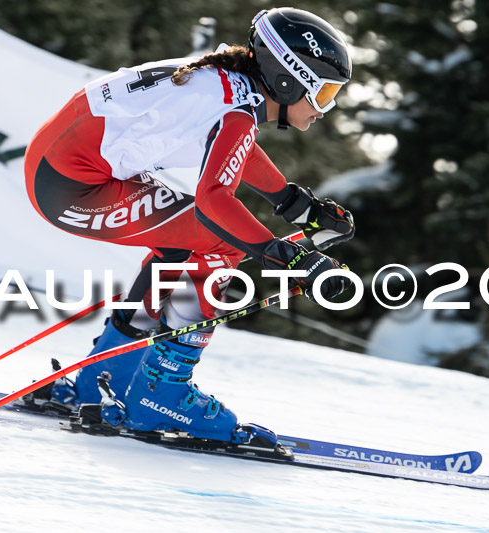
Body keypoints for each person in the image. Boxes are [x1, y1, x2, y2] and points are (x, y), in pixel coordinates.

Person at [22, 8, 356, 443]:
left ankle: (100, 379)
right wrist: (290, 258)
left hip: (60, 171)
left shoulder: (229, 85)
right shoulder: (236, 107)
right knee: (221, 243)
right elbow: (214, 201)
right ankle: (162, 393)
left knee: (181, 245)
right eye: (324, 93)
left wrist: (291, 202)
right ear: (288, 79)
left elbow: (237, 150)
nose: (325, 109)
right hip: (71, 187)